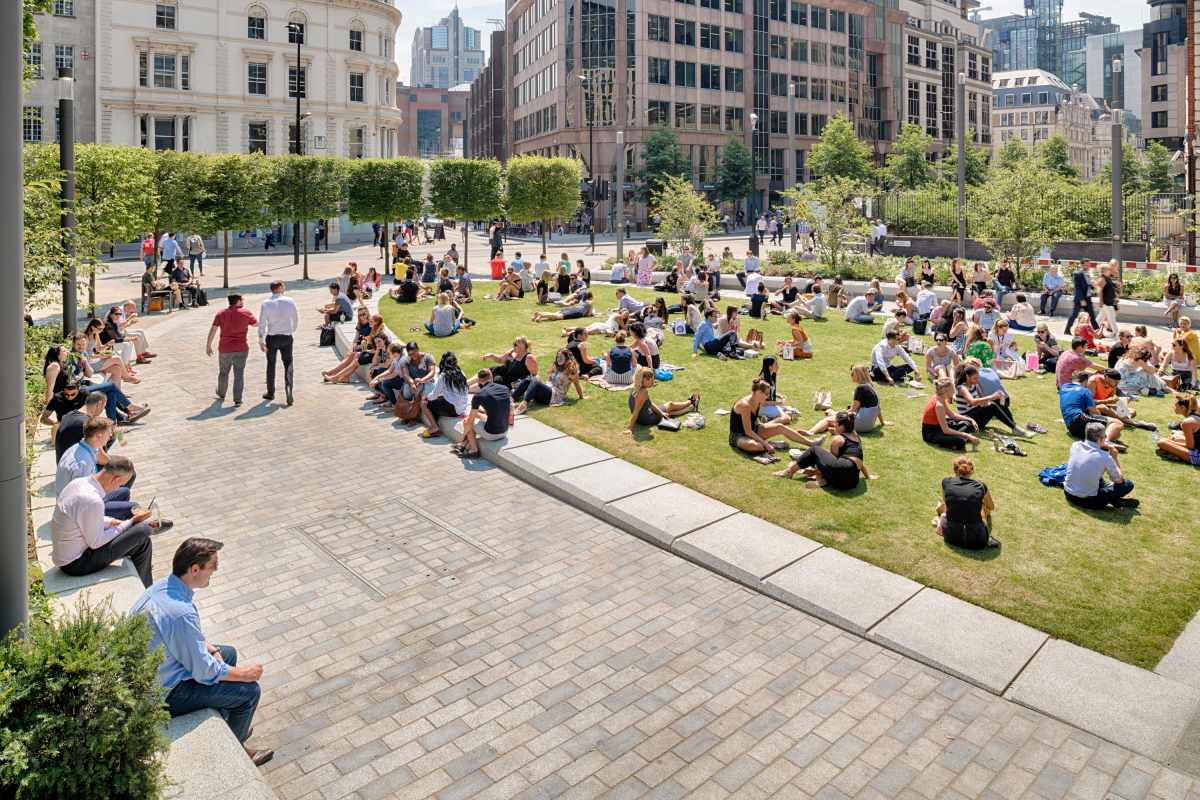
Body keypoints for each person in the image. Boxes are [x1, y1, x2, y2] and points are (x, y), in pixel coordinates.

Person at [130, 538, 273, 765]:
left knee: (227, 653)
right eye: (212, 568)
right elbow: (205, 671)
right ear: (195, 569)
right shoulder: (181, 613)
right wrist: (245, 674)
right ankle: (236, 756)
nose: (214, 572)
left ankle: (231, 726)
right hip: (165, 694)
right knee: (249, 692)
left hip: (154, 672)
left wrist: (211, 650)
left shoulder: (162, 588)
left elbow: (182, 637)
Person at [51, 456, 155, 587]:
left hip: (68, 554)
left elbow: (85, 518)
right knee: (143, 532)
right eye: (120, 484)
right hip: (76, 564)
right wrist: (131, 522)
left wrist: (112, 522)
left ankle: (146, 585)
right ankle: (147, 589)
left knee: (140, 540)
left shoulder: (79, 483)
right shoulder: (92, 500)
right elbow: (96, 542)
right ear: (115, 479)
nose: (119, 487)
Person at [775, 411, 875, 489]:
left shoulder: (838, 440)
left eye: (836, 424)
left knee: (814, 450)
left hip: (840, 472)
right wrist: (868, 476)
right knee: (824, 459)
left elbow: (831, 465)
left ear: (842, 426)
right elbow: (860, 461)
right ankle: (824, 480)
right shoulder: (856, 437)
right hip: (852, 482)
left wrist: (816, 472)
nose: (833, 425)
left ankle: (789, 471)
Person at [729, 379, 817, 453]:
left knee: (780, 427)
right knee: (756, 446)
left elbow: (754, 420)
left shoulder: (758, 401)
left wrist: (763, 425)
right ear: (759, 392)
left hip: (755, 429)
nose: (767, 397)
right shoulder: (744, 405)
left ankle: (811, 443)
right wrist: (766, 444)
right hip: (739, 436)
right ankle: (772, 444)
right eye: (766, 394)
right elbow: (748, 431)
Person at [1063, 422, 1137, 509]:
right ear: (1102, 438)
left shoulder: (1075, 446)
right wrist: (1114, 457)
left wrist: (1104, 445)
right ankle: (1115, 500)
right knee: (1127, 485)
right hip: (1088, 501)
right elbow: (1119, 480)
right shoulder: (1105, 457)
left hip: (1068, 493)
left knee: (1093, 473)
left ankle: (1115, 500)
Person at [804, 364, 891, 436]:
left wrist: (836, 414)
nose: (851, 376)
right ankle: (839, 430)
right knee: (835, 417)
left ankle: (810, 432)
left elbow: (852, 411)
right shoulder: (871, 386)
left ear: (857, 375)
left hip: (861, 424)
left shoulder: (860, 388)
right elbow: (878, 408)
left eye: (852, 374)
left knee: (828, 420)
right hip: (870, 425)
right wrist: (882, 422)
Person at [934, 456, 999, 550]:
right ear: (972, 470)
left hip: (951, 537)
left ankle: (940, 517)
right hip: (977, 541)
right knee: (982, 508)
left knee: (947, 506)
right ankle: (988, 537)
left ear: (954, 470)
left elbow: (947, 505)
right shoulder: (980, 486)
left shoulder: (946, 482)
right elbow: (991, 507)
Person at [206, 293, 257, 407]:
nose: (243, 302)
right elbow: (256, 324)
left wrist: (208, 345)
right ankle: (238, 399)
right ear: (238, 301)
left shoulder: (221, 313)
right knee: (239, 373)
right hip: (241, 348)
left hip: (225, 348)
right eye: (242, 300)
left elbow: (213, 329)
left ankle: (221, 393)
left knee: (223, 372)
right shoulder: (246, 312)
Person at [454, 368, 514, 457]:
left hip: (491, 434)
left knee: (467, 421)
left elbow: (470, 422)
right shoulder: (505, 389)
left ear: (478, 380)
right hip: (505, 431)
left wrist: (461, 438)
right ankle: (465, 444)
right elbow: (509, 410)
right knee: (477, 415)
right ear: (491, 377)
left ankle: (473, 450)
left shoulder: (479, 395)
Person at [954, 364, 1027, 436]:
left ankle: (1014, 425)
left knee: (996, 402)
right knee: (992, 405)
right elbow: (972, 402)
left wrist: (998, 398)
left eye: (978, 377)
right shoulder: (962, 388)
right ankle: (1014, 428)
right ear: (967, 377)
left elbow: (982, 398)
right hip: (968, 419)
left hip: (976, 416)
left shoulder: (974, 384)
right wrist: (992, 397)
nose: (977, 380)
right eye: (975, 378)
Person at [1059, 369, 1125, 448]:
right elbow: (1094, 412)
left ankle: (1105, 439)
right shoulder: (1085, 391)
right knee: (1117, 423)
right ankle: (1106, 442)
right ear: (1086, 381)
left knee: (1115, 433)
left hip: (1071, 428)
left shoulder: (1064, 387)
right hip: (1079, 420)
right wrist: (1102, 418)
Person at [259, 280, 299, 406]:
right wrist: (291, 330)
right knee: (288, 363)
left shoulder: (266, 303)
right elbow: (296, 318)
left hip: (272, 337)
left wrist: (260, 339)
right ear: (280, 288)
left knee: (271, 364)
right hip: (287, 336)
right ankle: (288, 389)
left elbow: (262, 323)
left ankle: (271, 392)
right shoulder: (290, 301)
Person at [625, 366, 699, 432]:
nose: (652, 381)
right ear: (643, 380)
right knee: (670, 407)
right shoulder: (642, 393)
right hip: (646, 419)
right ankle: (690, 405)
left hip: (642, 417)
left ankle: (690, 404)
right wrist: (630, 428)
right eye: (650, 379)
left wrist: (661, 413)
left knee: (668, 408)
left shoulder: (636, 387)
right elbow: (636, 411)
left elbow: (649, 403)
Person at [419, 352, 470, 438]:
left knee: (423, 403)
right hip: (461, 409)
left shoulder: (443, 375)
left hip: (452, 409)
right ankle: (435, 425)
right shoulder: (461, 372)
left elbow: (434, 395)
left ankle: (434, 427)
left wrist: (425, 397)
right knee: (439, 400)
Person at [921, 378, 980, 450]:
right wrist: (966, 435)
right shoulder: (939, 405)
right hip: (931, 433)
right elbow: (945, 430)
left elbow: (953, 415)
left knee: (968, 424)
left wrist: (970, 419)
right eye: (953, 389)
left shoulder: (941, 398)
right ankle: (953, 441)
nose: (954, 391)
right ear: (946, 391)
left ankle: (954, 439)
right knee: (960, 442)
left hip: (940, 427)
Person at [1158, 394, 1200, 465]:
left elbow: (1190, 447)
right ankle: (1176, 453)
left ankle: (1176, 455)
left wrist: (1169, 442)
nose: (1173, 407)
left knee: (1162, 442)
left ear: (1182, 407)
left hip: (1198, 456)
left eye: (1175, 406)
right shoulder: (1196, 415)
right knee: (1176, 435)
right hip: (1197, 447)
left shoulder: (1187, 423)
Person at [1063, 263, 1097, 335]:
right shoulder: (1077, 274)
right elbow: (1077, 288)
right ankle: (1067, 330)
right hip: (1080, 299)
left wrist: (1093, 286)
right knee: (1074, 315)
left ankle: (1097, 331)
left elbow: (1088, 285)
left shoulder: (1088, 274)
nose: (1087, 266)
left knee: (1092, 315)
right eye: (1085, 265)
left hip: (1087, 298)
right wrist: (1081, 299)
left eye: (1088, 265)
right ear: (1082, 265)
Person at [1095, 261, 1121, 337]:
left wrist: (1116, 285)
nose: (1110, 271)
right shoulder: (1102, 279)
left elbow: (1110, 286)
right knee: (1111, 318)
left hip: (1109, 301)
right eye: (1109, 269)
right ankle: (1116, 333)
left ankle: (1091, 329)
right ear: (1105, 271)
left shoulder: (1107, 278)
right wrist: (1101, 301)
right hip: (1106, 302)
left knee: (1100, 317)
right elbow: (1099, 290)